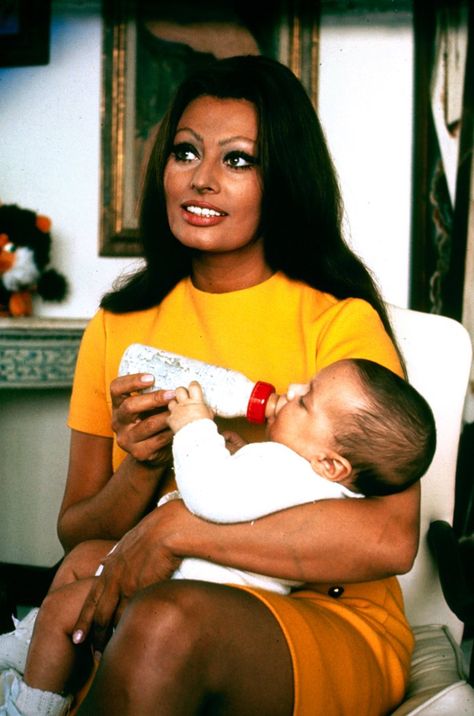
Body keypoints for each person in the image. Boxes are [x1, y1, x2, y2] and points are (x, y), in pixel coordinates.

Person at [1, 54, 424, 715]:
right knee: (113, 589)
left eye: (237, 160)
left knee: (165, 622)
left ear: (280, 178)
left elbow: (389, 539)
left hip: (322, 618)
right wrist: (142, 467)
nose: (200, 180)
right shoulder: (118, 327)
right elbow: (77, 529)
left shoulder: (339, 322)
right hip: (156, 595)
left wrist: (177, 533)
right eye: (185, 152)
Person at [0, 358, 436, 714]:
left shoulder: (286, 464)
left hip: (207, 593)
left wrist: (193, 427)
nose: (295, 387)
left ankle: (29, 701)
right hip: (203, 579)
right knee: (85, 557)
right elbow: (260, 496)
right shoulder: (308, 470)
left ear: (332, 464)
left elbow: (210, 496)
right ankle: (26, 658)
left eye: (307, 402)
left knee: (63, 609)